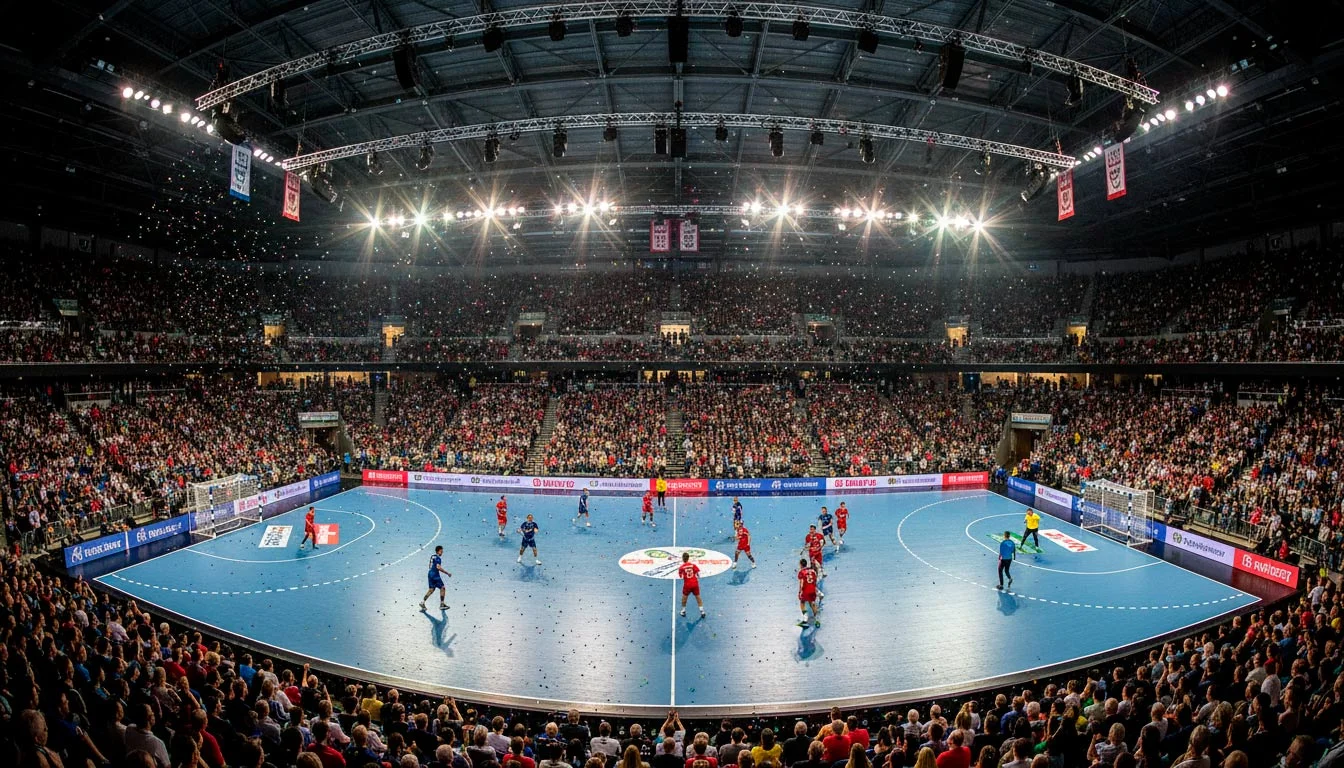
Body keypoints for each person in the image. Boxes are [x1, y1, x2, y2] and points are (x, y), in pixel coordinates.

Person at [419, 546, 453, 611]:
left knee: (431, 589)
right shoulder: (438, 558)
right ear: (438, 551)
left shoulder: (432, 556)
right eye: (441, 551)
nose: (442, 553)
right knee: (442, 588)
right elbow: (438, 567)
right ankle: (442, 604)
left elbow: (430, 565)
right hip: (435, 575)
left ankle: (422, 602)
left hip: (430, 574)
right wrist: (447, 573)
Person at [679, 552, 706, 618]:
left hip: (687, 584)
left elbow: (681, 576)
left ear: (683, 558)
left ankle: (683, 610)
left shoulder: (681, 567)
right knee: (698, 597)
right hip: (695, 583)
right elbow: (698, 574)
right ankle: (702, 611)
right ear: (688, 558)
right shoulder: (693, 565)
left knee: (684, 597)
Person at [797, 558, 821, 628]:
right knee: (812, 603)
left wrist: (800, 592)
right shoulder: (812, 571)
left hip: (805, 591)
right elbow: (815, 580)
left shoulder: (801, 572)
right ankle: (817, 620)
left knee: (802, 603)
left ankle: (805, 621)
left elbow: (801, 583)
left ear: (801, 565)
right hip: (813, 589)